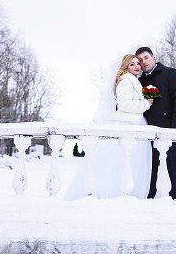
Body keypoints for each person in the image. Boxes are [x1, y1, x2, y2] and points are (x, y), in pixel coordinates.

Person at [64, 54, 153, 200]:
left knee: (129, 162)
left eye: (138, 63)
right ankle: (112, 192)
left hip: (134, 125)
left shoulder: (133, 81)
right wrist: (145, 104)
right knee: (118, 162)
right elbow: (124, 105)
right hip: (128, 125)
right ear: (125, 67)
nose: (137, 66)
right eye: (132, 64)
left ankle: (127, 192)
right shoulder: (126, 81)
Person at [135, 46, 176, 199]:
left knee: (172, 165)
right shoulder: (141, 81)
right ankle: (149, 196)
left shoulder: (170, 74)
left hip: (170, 129)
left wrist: (175, 129)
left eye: (145, 57)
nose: (143, 62)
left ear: (153, 57)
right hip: (148, 132)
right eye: (140, 60)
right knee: (150, 166)